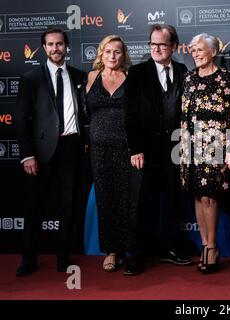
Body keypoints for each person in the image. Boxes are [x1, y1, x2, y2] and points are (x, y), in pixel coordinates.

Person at [15, 28, 86, 276]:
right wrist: (27, 155)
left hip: (71, 148)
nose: (56, 48)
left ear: (67, 47)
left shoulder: (80, 76)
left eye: (60, 44)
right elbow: (22, 120)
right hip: (40, 151)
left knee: (68, 205)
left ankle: (63, 259)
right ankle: (29, 259)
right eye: (50, 44)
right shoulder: (30, 78)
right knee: (34, 206)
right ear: (44, 48)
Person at [124, 24, 192, 274]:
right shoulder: (138, 72)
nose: (156, 49)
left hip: (175, 150)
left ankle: (170, 248)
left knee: (174, 202)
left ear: (174, 46)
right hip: (146, 151)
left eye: (162, 45)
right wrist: (136, 149)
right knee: (141, 203)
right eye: (153, 44)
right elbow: (130, 115)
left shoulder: (183, 70)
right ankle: (135, 254)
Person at [179, 33, 230, 274]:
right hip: (188, 144)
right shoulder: (189, 78)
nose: (195, 54)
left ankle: (213, 247)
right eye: (193, 51)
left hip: (215, 144)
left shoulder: (226, 79)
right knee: (196, 196)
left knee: (209, 197)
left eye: (200, 50)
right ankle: (204, 244)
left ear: (214, 52)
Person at [83, 35, 136, 273]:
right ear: (101, 54)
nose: (112, 56)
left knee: (126, 199)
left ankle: (127, 248)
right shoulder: (91, 77)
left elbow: (138, 115)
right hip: (99, 149)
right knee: (106, 198)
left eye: (117, 52)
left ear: (123, 55)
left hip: (126, 148)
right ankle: (111, 251)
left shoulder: (131, 78)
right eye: (108, 51)